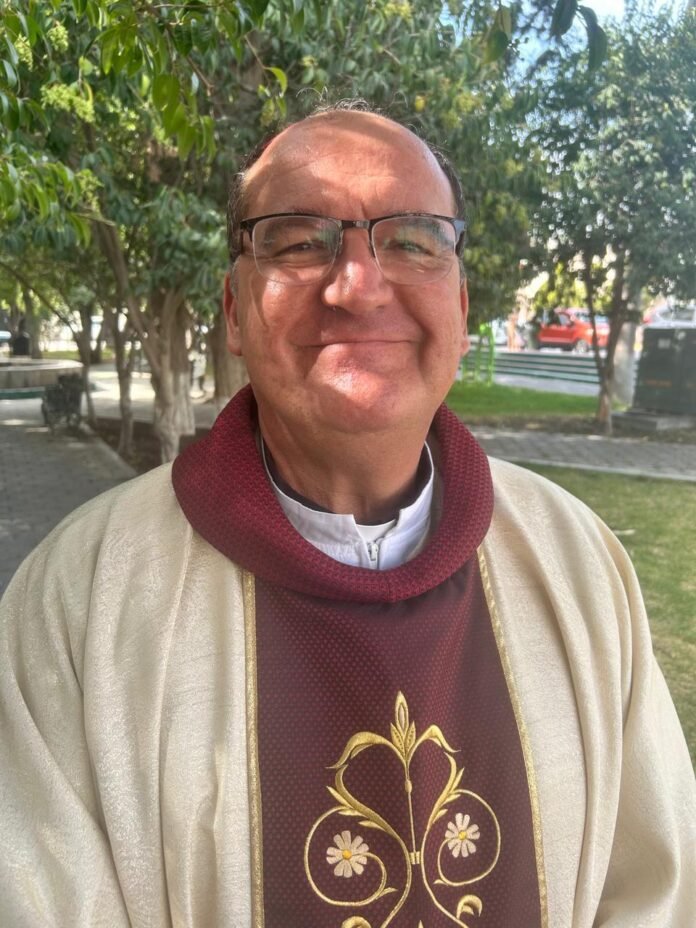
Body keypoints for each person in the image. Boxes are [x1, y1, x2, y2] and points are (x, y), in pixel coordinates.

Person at [1, 104, 694, 928]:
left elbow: (658, 887)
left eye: (413, 242)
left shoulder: (578, 562)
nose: (359, 286)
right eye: (299, 241)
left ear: (460, 305)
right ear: (234, 310)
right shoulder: (81, 595)